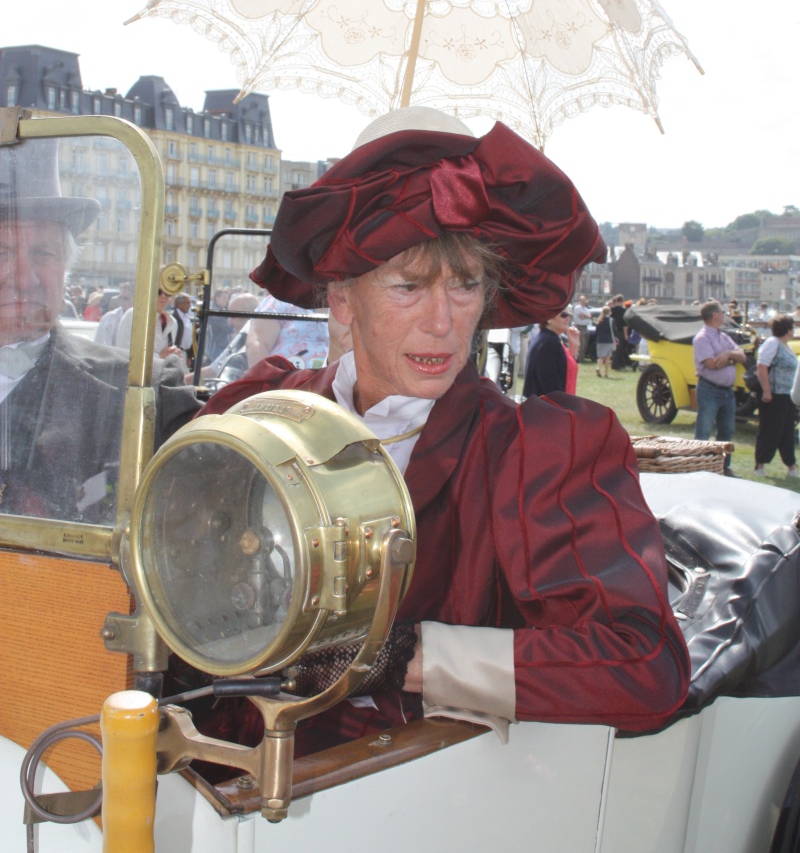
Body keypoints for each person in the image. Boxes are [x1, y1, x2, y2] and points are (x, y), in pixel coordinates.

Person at [201, 108, 689, 746]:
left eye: (465, 286)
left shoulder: (533, 453)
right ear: (343, 298)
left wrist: (407, 658)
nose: (443, 323)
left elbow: (639, 666)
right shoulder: (258, 411)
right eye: (408, 287)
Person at [0, 138, 199, 522]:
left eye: (42, 253)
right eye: (0, 253)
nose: (24, 278)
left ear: (65, 266)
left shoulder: (140, 388)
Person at [692, 299, 747, 476]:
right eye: (722, 312)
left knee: (726, 431)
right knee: (704, 431)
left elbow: (742, 356)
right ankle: (699, 466)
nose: (724, 315)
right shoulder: (702, 338)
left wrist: (728, 355)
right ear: (715, 315)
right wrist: (732, 360)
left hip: (727, 392)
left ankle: (724, 467)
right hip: (710, 389)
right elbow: (711, 364)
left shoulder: (723, 337)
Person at [754, 314, 799, 478]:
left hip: (787, 395)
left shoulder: (786, 345)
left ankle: (791, 465)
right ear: (787, 329)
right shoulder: (773, 343)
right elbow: (762, 366)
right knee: (770, 429)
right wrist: (767, 390)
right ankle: (760, 464)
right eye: (792, 327)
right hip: (774, 394)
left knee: (787, 431)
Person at [522, 308, 578, 397]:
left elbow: (565, 370)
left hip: (544, 406)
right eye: (563, 315)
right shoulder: (548, 342)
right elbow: (550, 384)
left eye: (568, 315)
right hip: (544, 408)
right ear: (549, 319)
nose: (567, 318)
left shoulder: (550, 339)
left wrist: (574, 346)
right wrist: (564, 405)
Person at [94, 281, 134, 347]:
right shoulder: (108, 318)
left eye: (126, 298)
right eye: (121, 298)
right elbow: (99, 345)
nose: (122, 301)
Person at [595, 306, 614, 377]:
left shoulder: (599, 320)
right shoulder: (611, 320)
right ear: (609, 312)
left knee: (601, 356)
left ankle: (598, 367)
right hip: (608, 340)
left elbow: (596, 331)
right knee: (608, 357)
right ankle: (606, 373)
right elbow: (614, 330)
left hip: (600, 340)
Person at [572, 295, 592, 363]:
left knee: (585, 343)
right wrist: (587, 316)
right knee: (581, 344)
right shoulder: (578, 308)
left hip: (586, 327)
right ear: (580, 301)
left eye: (585, 300)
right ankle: (579, 359)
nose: (584, 302)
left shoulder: (586, 309)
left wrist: (586, 316)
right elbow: (581, 317)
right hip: (579, 327)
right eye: (582, 301)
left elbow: (589, 316)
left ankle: (582, 358)